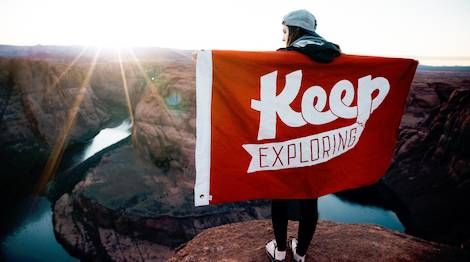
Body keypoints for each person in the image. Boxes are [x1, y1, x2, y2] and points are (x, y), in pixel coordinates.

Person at [265, 9, 341, 262]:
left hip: (287, 139)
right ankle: (301, 253)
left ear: (293, 30)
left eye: (285, 31)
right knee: (311, 197)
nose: (284, 36)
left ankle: (280, 250)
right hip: (318, 141)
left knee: (280, 194)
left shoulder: (283, 58)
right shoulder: (335, 58)